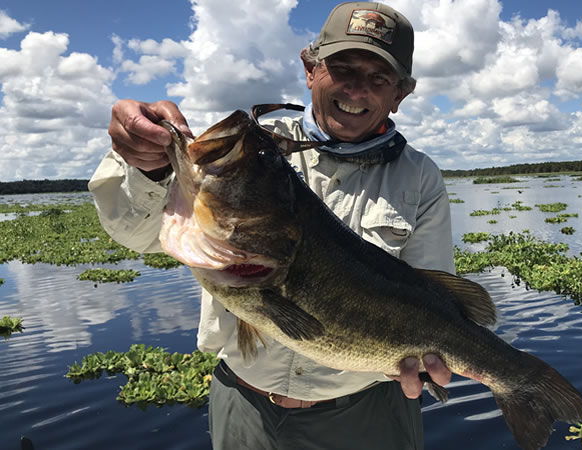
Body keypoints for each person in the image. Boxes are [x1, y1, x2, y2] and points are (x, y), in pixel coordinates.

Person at [89, 2, 455, 449]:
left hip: (368, 411)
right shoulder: (253, 153)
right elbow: (136, 234)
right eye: (342, 68)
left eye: (378, 78)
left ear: (400, 93)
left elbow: (435, 297)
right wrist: (146, 164)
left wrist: (433, 355)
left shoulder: (420, 177)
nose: (357, 90)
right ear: (310, 68)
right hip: (243, 404)